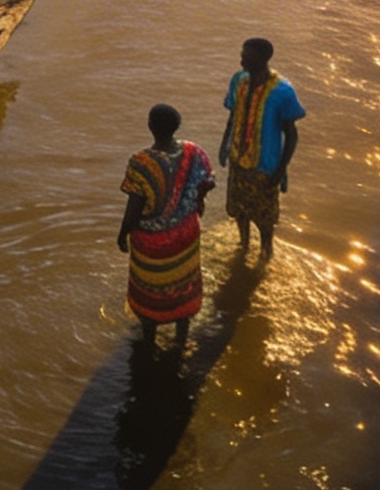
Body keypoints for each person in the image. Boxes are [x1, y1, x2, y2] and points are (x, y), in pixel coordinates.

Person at [117, 103, 213, 347]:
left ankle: (150, 338)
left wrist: (122, 234)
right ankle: (181, 338)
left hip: (152, 242)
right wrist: (193, 201)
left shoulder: (142, 164)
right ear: (176, 126)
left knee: (150, 292)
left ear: (150, 127)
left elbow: (134, 207)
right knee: (183, 284)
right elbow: (208, 183)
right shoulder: (194, 153)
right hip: (186, 234)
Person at [219, 38, 306, 262]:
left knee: (265, 219)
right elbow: (233, 114)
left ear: (262, 58)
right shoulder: (239, 80)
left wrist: (280, 171)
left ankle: (266, 253)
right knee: (239, 210)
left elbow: (292, 135)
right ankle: (243, 245)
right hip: (238, 159)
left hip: (265, 167)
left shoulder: (282, 91)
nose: (241, 59)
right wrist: (224, 144)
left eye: (246, 55)